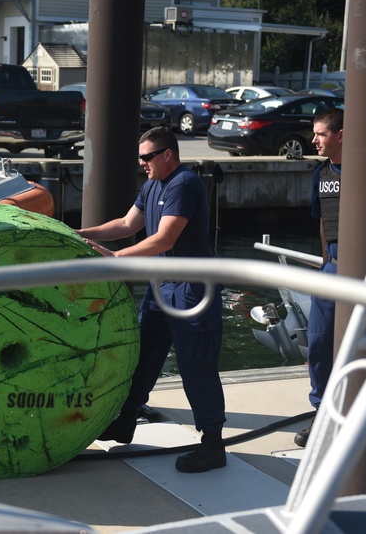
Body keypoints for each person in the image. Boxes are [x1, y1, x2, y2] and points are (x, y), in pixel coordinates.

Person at [76, 125, 226, 474]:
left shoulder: (184, 183)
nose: (142, 163)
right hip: (162, 288)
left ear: (167, 154)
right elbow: (127, 224)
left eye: (147, 157)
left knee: (196, 367)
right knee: (140, 354)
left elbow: (165, 238)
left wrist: (116, 259)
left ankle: (213, 444)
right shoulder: (152, 185)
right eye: (140, 158)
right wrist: (79, 233)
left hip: (191, 291)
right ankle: (126, 419)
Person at [295, 107, 344, 448]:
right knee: (320, 342)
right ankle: (323, 411)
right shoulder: (321, 174)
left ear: (342, 135)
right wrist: (326, 263)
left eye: (321, 134)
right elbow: (324, 222)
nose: (313, 140)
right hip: (333, 268)